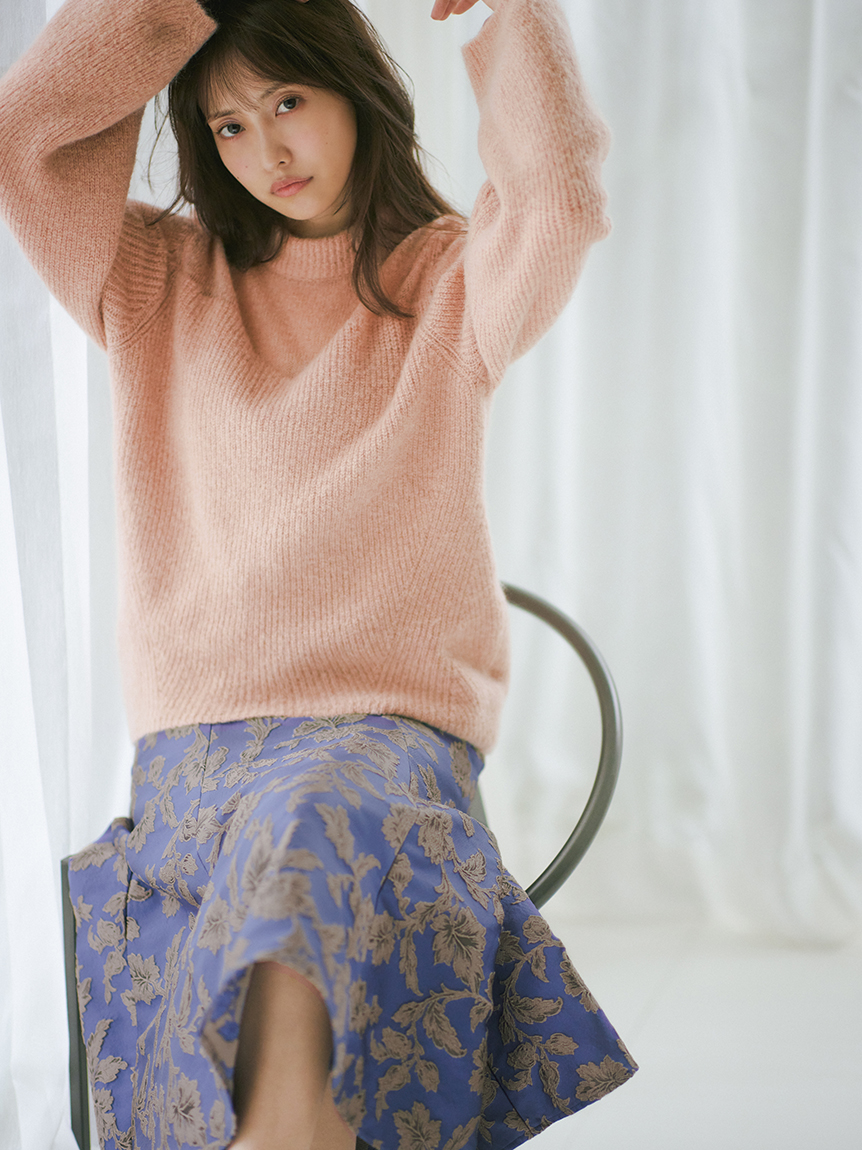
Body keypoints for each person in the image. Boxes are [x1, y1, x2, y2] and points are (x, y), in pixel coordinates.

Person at [0, 0, 637, 1146]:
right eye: (229, 125)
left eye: (287, 100)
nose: (268, 150)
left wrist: (504, 9)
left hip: (388, 746)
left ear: (353, 85)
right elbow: (24, 138)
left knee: (315, 817)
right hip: (204, 759)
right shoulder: (150, 281)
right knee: (294, 833)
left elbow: (559, 203)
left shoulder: (448, 285)